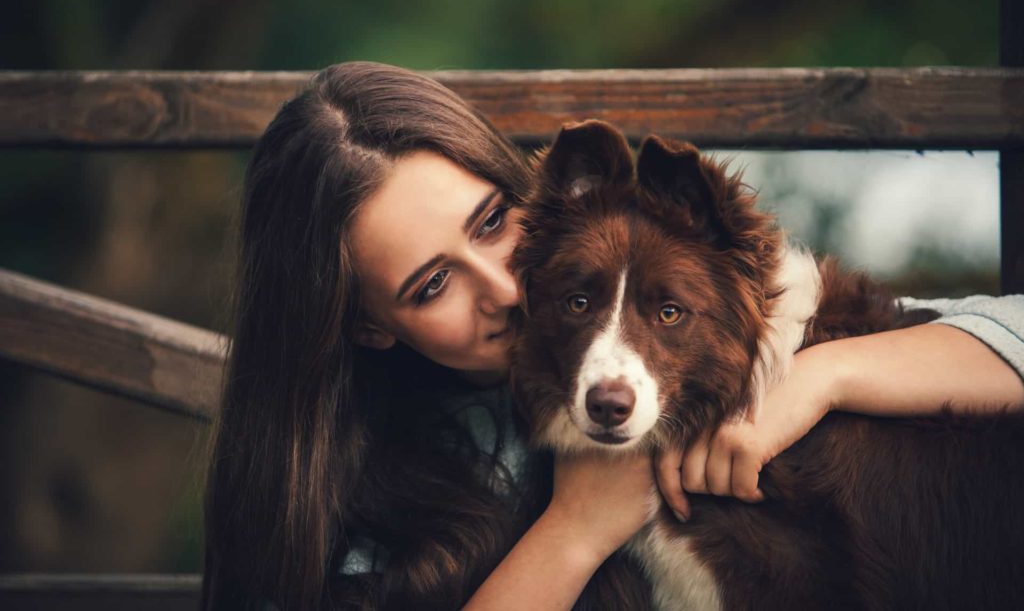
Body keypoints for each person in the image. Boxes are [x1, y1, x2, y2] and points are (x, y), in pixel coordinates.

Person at [201, 61, 1024, 610]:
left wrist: (822, 379)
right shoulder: (353, 489)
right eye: (433, 283)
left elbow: (1005, 337)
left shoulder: (658, 282)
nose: (505, 286)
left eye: (491, 221)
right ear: (367, 327)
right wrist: (575, 528)